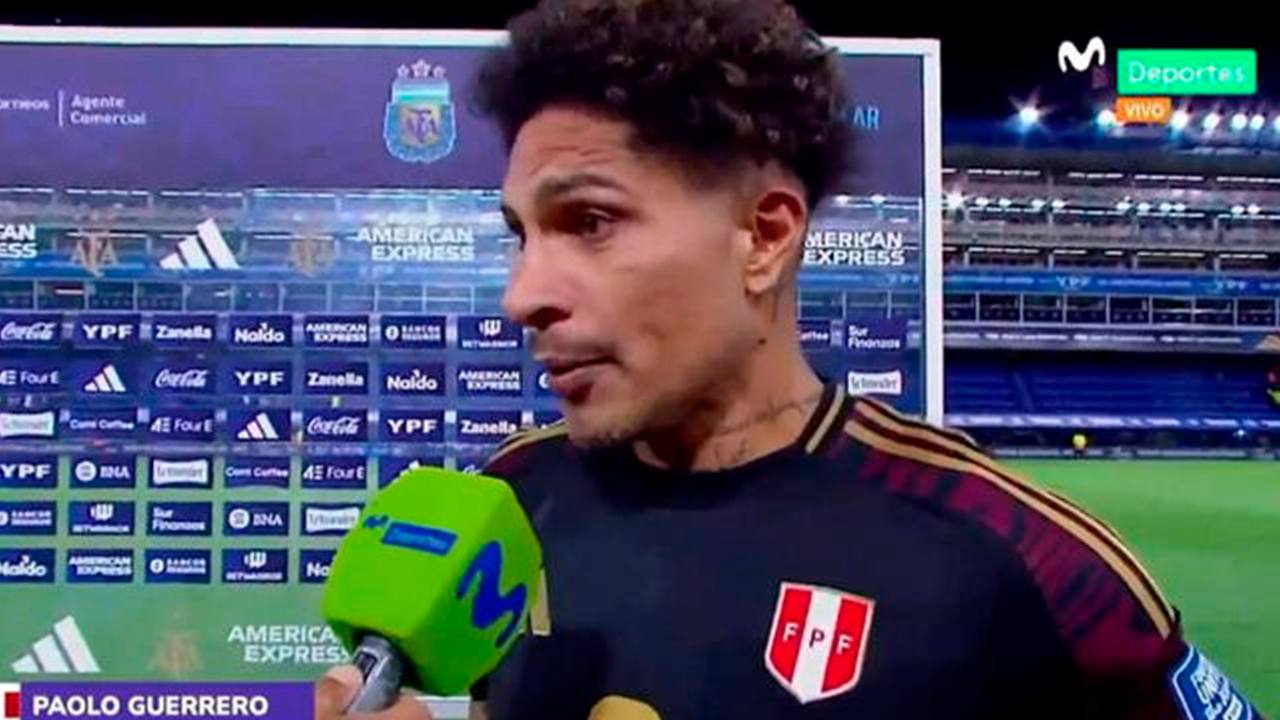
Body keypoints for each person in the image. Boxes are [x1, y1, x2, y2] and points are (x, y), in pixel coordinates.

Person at [317, 0, 1264, 717]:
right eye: (521, 235)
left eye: (591, 222)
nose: (523, 293)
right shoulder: (510, 500)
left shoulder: (1022, 562)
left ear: (764, 238)